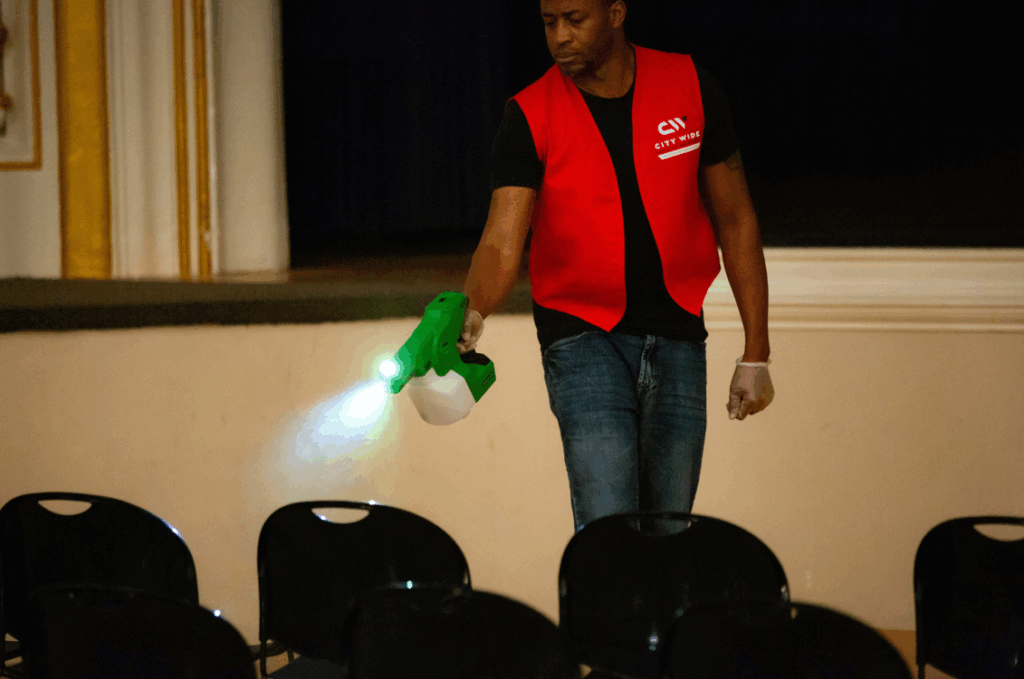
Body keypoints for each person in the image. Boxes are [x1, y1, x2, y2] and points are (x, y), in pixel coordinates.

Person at [459, 0, 774, 534]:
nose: (559, 36)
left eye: (574, 19)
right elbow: (501, 238)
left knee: (668, 531)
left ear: (616, 13)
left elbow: (737, 219)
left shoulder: (690, 86)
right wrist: (472, 312)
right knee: (609, 530)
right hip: (581, 334)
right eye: (548, 22)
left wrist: (756, 355)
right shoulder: (528, 114)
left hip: (677, 330)